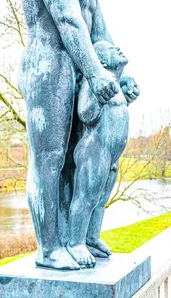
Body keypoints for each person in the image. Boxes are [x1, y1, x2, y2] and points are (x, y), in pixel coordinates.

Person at [18, 0, 140, 270]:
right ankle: (49, 248)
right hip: (49, 68)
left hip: (77, 72)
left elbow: (100, 34)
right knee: (49, 161)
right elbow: (67, 20)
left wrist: (120, 74)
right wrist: (96, 72)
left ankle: (80, 238)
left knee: (77, 164)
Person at [68, 41, 129, 268]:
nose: (119, 49)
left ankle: (92, 238)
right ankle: (76, 243)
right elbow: (85, 112)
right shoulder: (95, 81)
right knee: (85, 198)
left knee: (101, 200)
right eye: (113, 50)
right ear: (101, 61)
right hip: (95, 150)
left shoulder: (114, 82)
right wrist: (98, 96)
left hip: (112, 155)